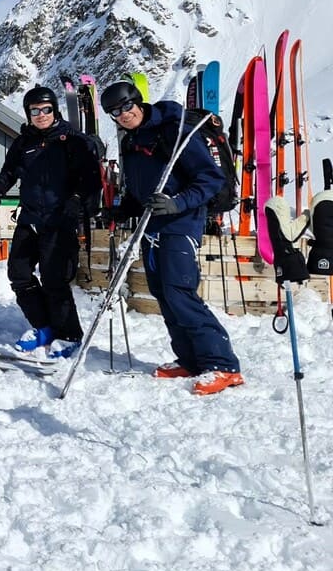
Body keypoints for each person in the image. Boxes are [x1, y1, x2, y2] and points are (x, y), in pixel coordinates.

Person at [100, 79, 243, 395]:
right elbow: (141, 189)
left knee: (180, 292)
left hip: (181, 223)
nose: (124, 114)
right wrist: (124, 210)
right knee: (163, 293)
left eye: (127, 106)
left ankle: (223, 365)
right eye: (115, 112)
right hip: (152, 227)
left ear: (138, 101)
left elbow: (210, 179)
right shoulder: (131, 140)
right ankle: (191, 360)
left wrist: (177, 202)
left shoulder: (174, 131)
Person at [0, 85, 101, 358]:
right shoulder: (23, 142)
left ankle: (69, 334)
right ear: (28, 113)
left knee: (54, 280)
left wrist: (78, 200)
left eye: (46, 109)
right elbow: (10, 170)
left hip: (59, 220)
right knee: (19, 274)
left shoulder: (72, 140)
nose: (41, 115)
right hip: (29, 218)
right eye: (35, 111)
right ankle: (43, 327)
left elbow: (90, 179)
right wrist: (1, 183)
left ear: (55, 110)